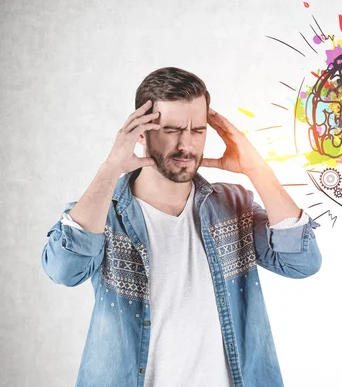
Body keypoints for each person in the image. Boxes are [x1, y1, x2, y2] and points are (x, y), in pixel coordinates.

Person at [41, 67, 322, 387]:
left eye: (198, 130)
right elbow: (64, 270)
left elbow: (301, 262)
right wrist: (110, 169)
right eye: (172, 129)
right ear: (141, 132)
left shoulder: (233, 206)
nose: (187, 144)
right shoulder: (103, 214)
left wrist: (258, 170)